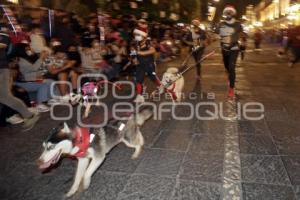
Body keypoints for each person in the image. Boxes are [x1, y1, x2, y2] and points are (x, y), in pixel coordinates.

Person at [0, 24, 39, 131]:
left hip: (1, 70)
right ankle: (29, 116)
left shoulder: (2, 28)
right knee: (5, 97)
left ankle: (29, 116)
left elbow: (3, 44)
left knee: (5, 97)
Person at [216, 5, 244, 97]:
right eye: (227, 12)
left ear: (233, 13)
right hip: (224, 49)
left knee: (232, 67)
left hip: (234, 49)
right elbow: (216, 34)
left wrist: (242, 43)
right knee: (227, 67)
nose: (229, 13)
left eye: (230, 12)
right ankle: (230, 75)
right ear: (225, 13)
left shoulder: (238, 24)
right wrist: (217, 38)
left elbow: (242, 34)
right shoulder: (220, 24)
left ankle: (231, 88)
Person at [131, 20, 161, 103]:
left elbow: (153, 50)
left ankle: (160, 86)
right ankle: (140, 96)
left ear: (143, 36)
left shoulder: (148, 43)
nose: (136, 36)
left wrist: (142, 53)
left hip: (149, 64)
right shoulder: (134, 44)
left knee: (153, 77)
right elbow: (132, 52)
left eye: (138, 35)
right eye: (136, 35)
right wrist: (134, 59)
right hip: (140, 64)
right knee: (138, 79)